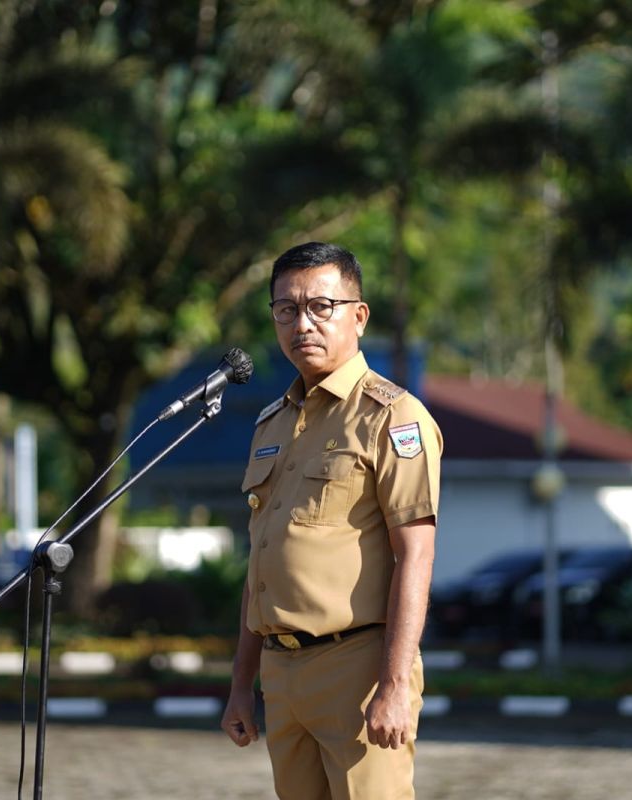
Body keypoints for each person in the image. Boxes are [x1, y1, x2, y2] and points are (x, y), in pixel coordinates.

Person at [220, 241, 442, 799]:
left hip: (357, 668)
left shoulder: (392, 416)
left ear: (359, 316)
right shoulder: (271, 424)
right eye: (286, 310)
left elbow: (415, 553)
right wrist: (241, 685)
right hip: (282, 671)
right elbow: (261, 565)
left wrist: (394, 685)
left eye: (322, 307)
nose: (303, 323)